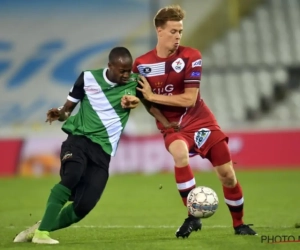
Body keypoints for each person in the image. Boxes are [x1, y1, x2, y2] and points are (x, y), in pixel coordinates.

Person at [133, 5, 257, 238]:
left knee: (227, 175)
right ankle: (193, 217)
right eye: (173, 31)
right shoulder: (141, 64)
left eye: (180, 31)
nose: (178, 36)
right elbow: (145, 101)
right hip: (173, 127)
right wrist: (160, 118)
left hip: (201, 121)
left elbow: (189, 99)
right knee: (179, 153)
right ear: (159, 31)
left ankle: (239, 224)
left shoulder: (192, 56)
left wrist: (152, 95)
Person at [13, 47, 142, 244]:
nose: (126, 75)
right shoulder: (87, 78)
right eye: (122, 70)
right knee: (72, 175)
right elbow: (67, 110)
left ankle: (39, 228)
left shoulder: (136, 82)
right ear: (110, 66)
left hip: (103, 152)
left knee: (84, 206)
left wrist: (136, 102)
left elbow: (144, 101)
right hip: (78, 140)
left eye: (128, 70)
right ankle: (42, 235)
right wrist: (59, 113)